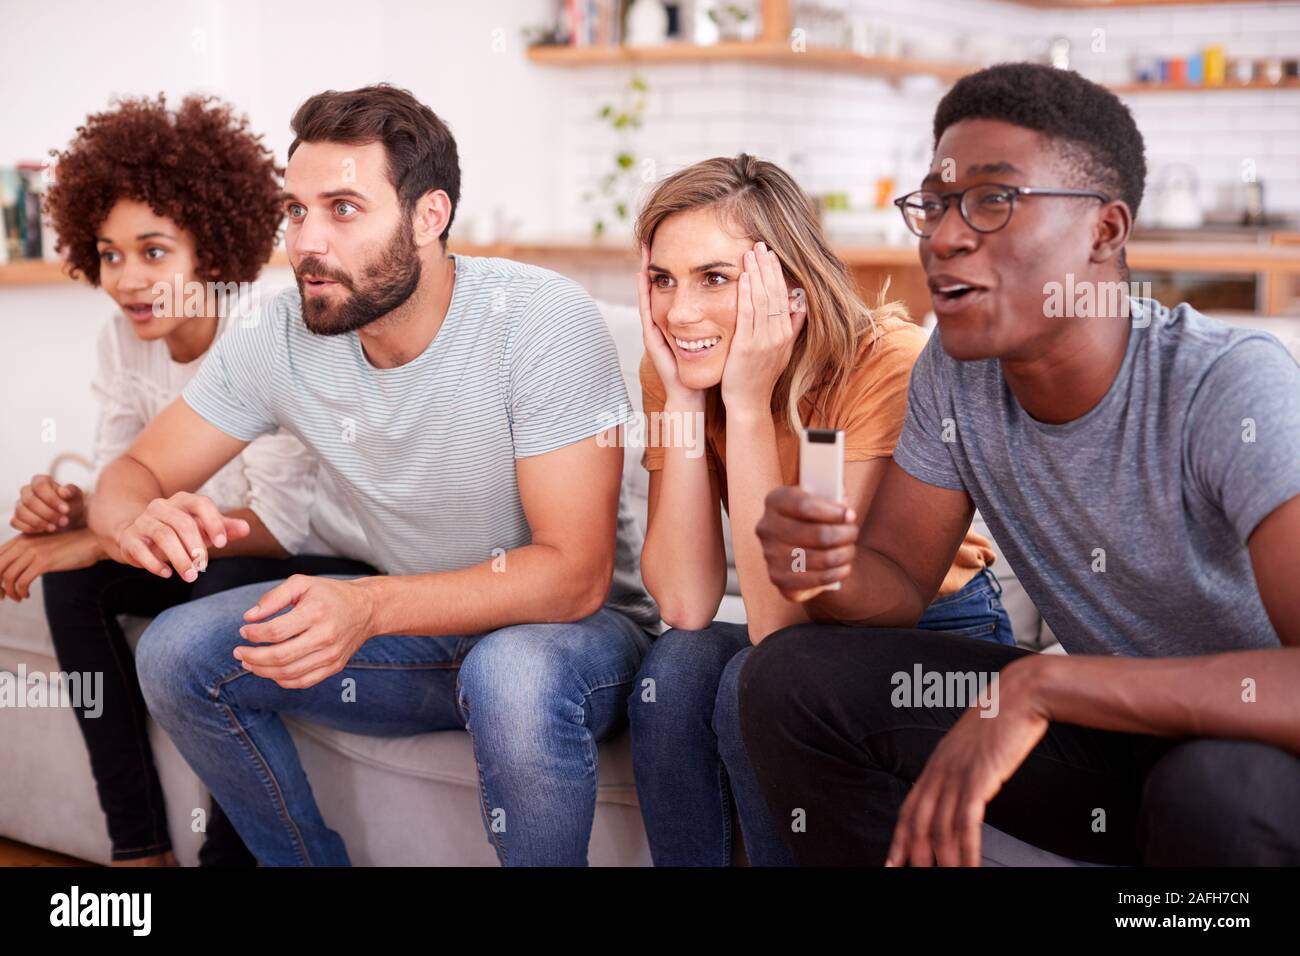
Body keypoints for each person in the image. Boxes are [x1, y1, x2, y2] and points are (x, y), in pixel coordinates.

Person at [739, 63, 1300, 866]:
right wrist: (822, 568)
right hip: (1117, 739)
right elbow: (896, 580)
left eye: (993, 200)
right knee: (791, 676)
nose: (944, 235)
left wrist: (1044, 685)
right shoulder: (956, 374)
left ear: (1105, 231)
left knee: (1213, 790)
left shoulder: (1226, 382)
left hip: (1252, 745)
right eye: (932, 205)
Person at [86, 83, 660, 866]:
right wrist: (134, 518)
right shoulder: (281, 333)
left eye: (343, 209)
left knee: (511, 670)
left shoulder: (540, 319)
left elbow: (575, 577)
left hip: (571, 642)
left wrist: (369, 604)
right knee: (179, 653)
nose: (307, 242)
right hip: (422, 642)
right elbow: (136, 469)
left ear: (430, 216)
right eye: (296, 211)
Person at [0, 94, 375, 867]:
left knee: (221, 590)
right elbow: (120, 477)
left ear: (210, 244)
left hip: (306, 554)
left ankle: (227, 858)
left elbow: (284, 522)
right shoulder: (120, 342)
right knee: (74, 586)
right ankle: (137, 847)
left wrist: (108, 536)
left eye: (154, 251)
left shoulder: (267, 337)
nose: (129, 280)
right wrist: (80, 516)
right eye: (108, 254)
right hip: (202, 548)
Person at [627, 154, 1011, 866]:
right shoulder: (678, 366)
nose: (680, 313)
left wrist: (744, 405)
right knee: (675, 667)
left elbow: (782, 628)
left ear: (790, 282)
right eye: (662, 280)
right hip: (802, 639)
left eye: (715, 278)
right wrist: (683, 399)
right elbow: (683, 602)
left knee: (754, 680)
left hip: (932, 626)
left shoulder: (886, 362)